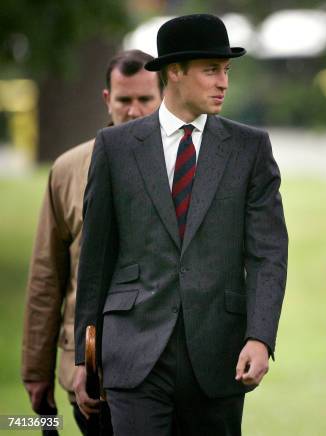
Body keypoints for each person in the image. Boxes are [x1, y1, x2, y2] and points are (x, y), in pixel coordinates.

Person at [73, 14, 288, 436]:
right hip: (132, 351)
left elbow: (268, 254)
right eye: (211, 70)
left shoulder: (250, 148)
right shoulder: (115, 148)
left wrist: (260, 337)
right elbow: (95, 259)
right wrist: (85, 356)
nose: (223, 82)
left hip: (218, 354)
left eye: (226, 71)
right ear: (174, 71)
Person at [21, 49, 162, 434]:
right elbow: (47, 274)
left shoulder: (179, 166)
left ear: (162, 96)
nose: (134, 111)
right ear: (107, 99)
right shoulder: (67, 170)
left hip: (160, 366)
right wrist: (37, 370)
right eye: (124, 100)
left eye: (144, 100)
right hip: (87, 367)